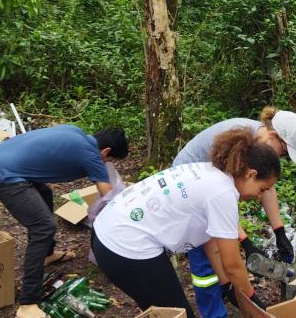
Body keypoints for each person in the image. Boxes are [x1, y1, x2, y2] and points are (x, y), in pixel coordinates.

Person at [92, 129, 281, 314]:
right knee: (177, 313)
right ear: (251, 174)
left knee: (165, 311)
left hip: (109, 230)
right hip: (125, 245)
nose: (259, 196)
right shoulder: (223, 192)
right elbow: (232, 265)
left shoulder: (213, 173)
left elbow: (211, 241)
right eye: (263, 189)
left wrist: (226, 285)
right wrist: (254, 302)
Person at [0, 124, 129, 318]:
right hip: (3, 173)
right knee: (43, 227)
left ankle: (46, 255)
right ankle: (27, 303)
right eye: (110, 159)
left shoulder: (77, 132)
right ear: (106, 151)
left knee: (45, 193)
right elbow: (109, 198)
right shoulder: (92, 155)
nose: (108, 164)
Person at [172, 107, 296, 318]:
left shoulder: (261, 147)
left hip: (212, 190)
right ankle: (214, 312)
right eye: (284, 152)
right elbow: (219, 202)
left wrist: (279, 231)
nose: (282, 157)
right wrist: (245, 242)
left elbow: (267, 187)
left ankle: (227, 290)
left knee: (221, 249)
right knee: (206, 253)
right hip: (188, 186)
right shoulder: (237, 144)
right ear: (274, 135)